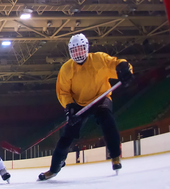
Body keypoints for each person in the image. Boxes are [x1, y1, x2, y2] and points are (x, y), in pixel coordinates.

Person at [38, 33, 134, 181]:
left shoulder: (99, 59)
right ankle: (54, 168)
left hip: (101, 98)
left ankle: (115, 156)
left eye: (80, 49)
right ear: (70, 52)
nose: (78, 53)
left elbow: (117, 64)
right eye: (74, 50)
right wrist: (69, 107)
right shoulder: (66, 69)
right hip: (79, 104)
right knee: (66, 137)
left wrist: (125, 69)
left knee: (107, 121)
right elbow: (63, 92)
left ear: (86, 48)